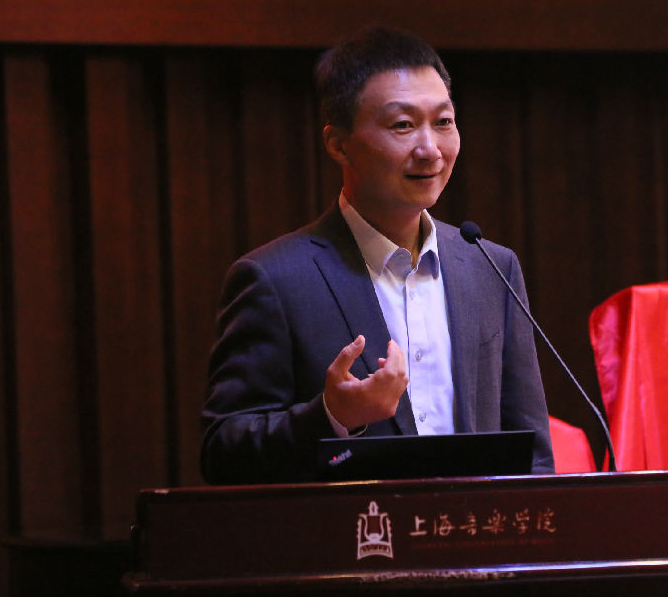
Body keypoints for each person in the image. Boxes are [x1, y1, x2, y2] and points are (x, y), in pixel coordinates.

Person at [201, 26, 553, 484]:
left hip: (471, 528)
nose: (430, 150)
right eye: (402, 125)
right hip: (355, 529)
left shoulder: (490, 267)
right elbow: (222, 453)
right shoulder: (275, 279)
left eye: (443, 122)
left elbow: (532, 454)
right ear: (338, 144)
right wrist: (332, 416)